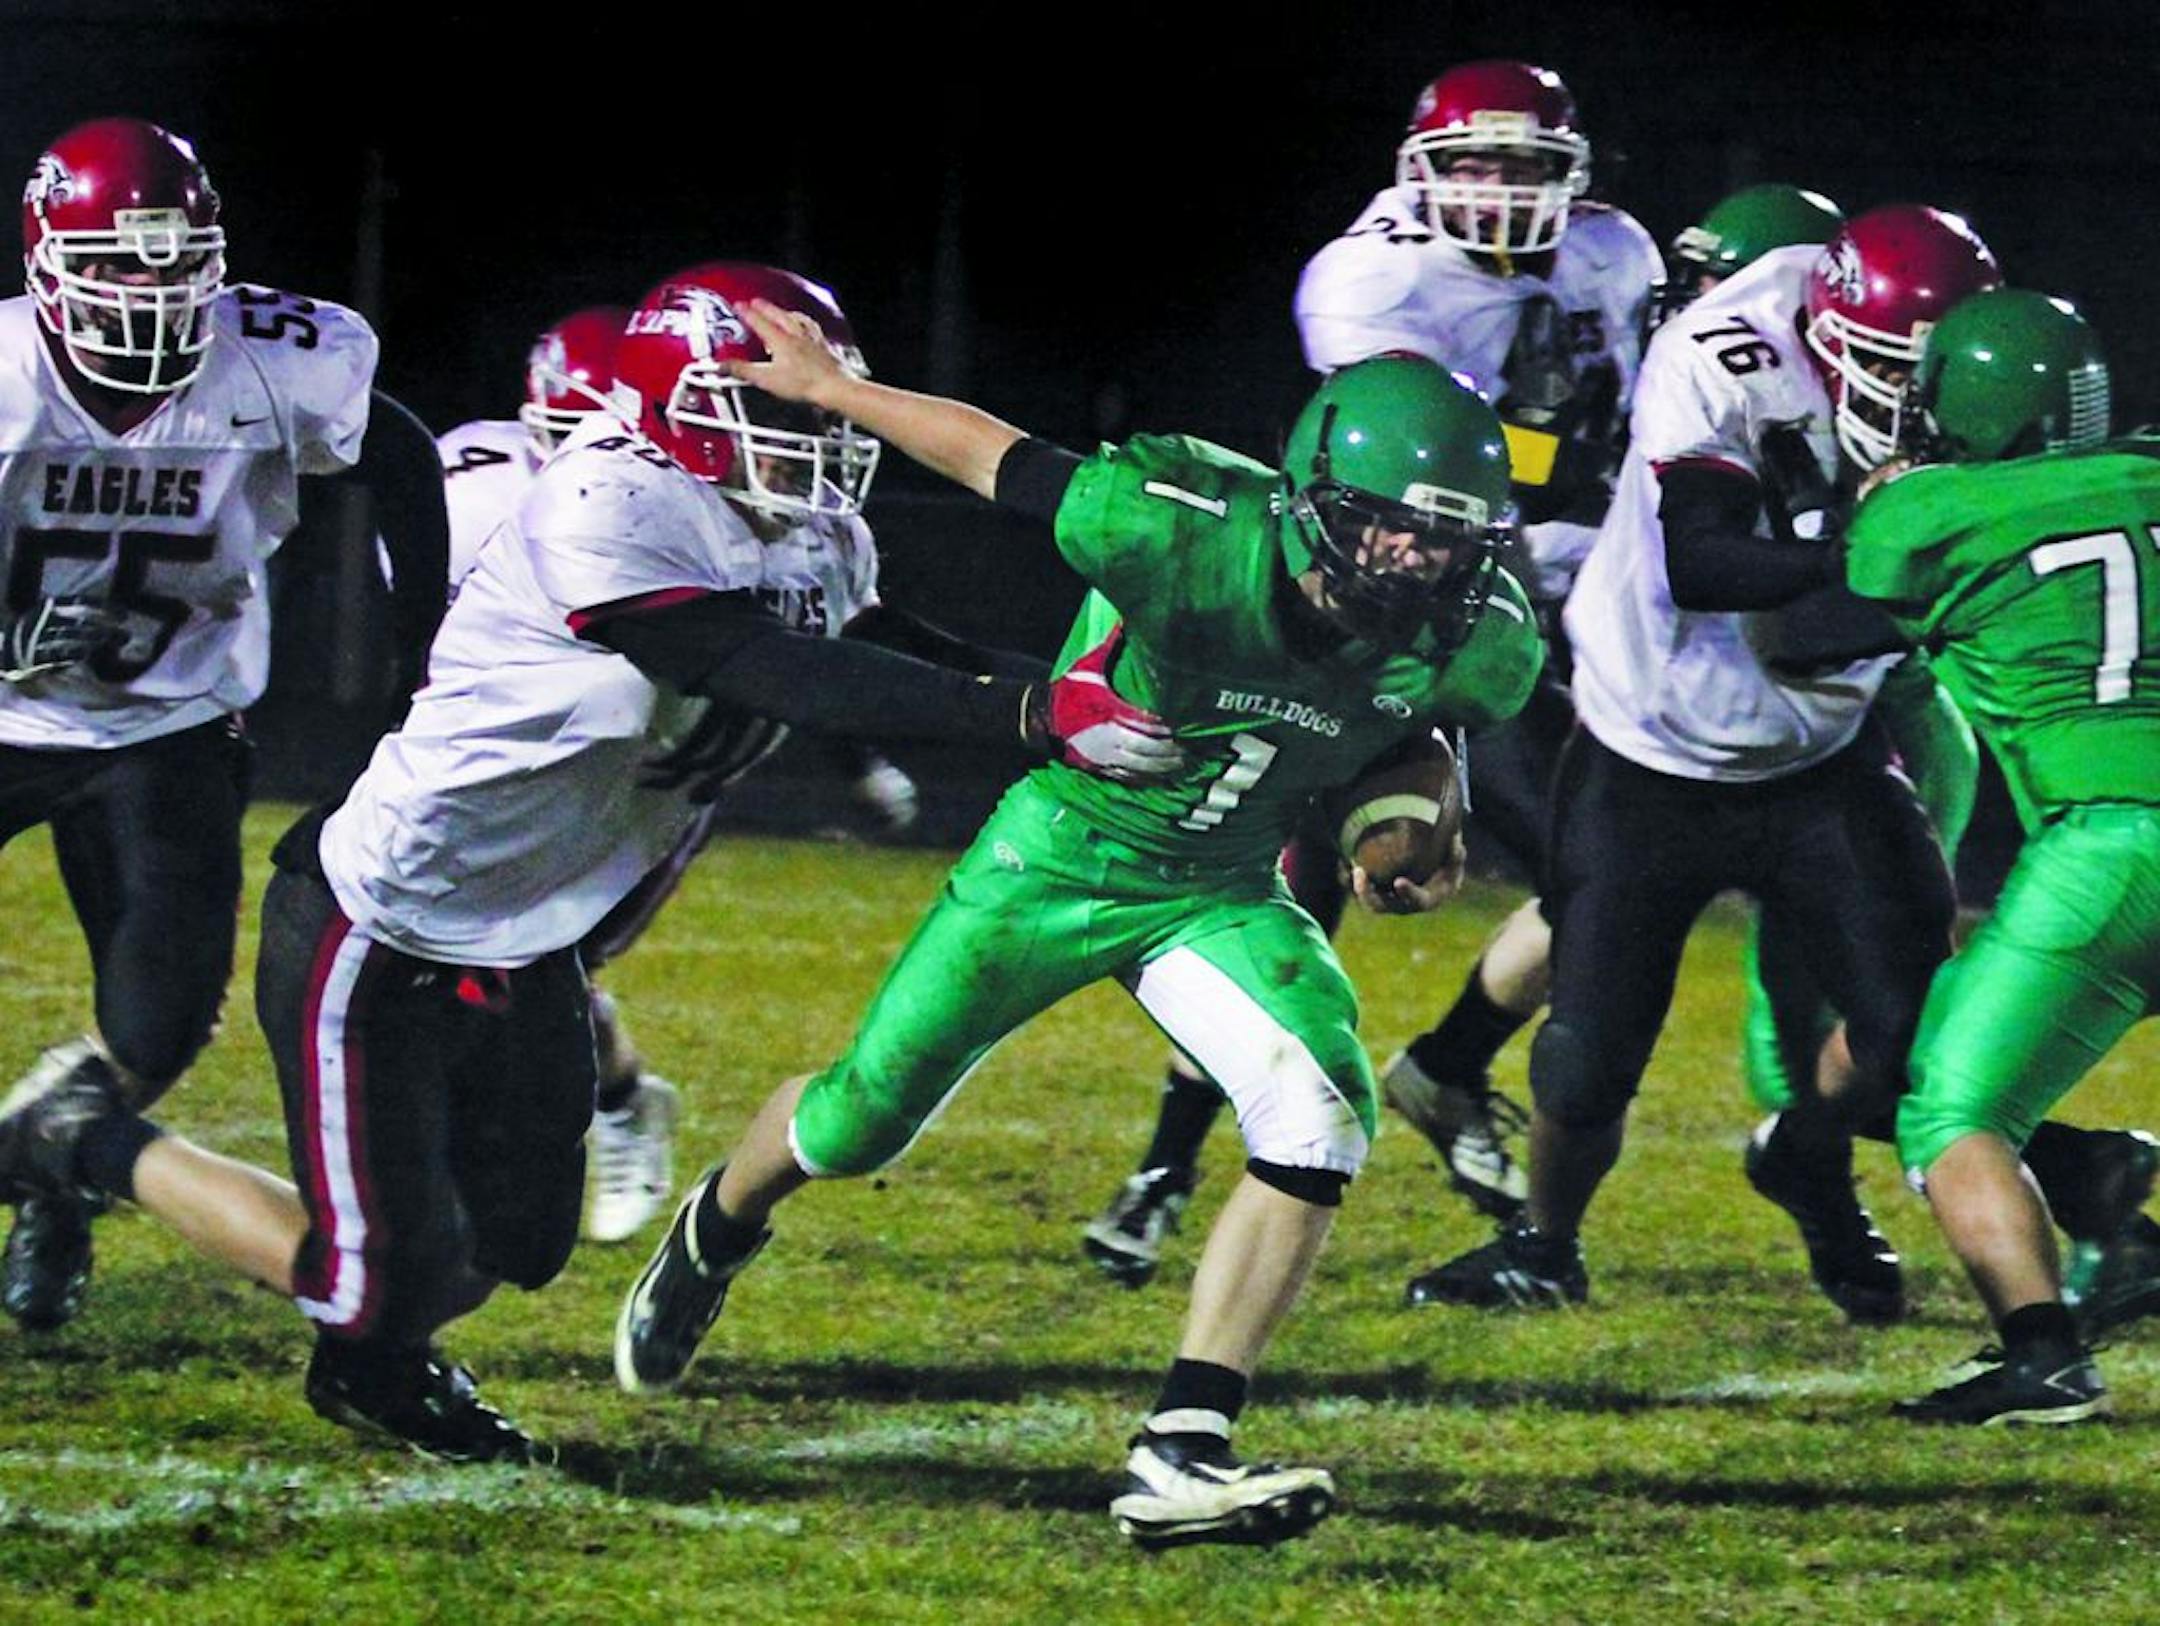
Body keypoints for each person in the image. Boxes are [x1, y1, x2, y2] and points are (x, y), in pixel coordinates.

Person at [0, 261, 1170, 1461]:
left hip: (539, 937)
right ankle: (84, 1145)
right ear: (673, 406)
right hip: (386, 924)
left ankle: (377, 1334)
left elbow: (887, 643)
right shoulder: (604, 500)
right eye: (771, 407)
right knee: (375, 1287)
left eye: (818, 401)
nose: (809, 431)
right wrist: (1034, 721)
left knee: (517, 1245)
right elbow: (764, 669)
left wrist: (1073, 691)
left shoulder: (811, 532)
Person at [613, 317, 1545, 1549]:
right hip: (1057, 854)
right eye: (1393, 523)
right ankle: (719, 1223)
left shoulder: (1479, 635)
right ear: (1319, 493)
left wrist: (1414, 822)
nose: (1417, 559)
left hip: (1216, 885)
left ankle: (1184, 1443)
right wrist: (843, 389)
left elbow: (1417, 731)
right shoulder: (1180, 524)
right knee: (857, 1120)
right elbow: (995, 456)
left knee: (1319, 1113)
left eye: (1448, 538)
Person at [1081, 61, 1659, 1286]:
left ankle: (1447, 1069)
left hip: (1560, 613)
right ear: (1420, 169)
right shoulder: (1371, 277)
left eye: (1525, 165)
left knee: (1604, 874)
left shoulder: (1615, 254)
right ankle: (1164, 1171)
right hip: (1398, 614)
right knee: (1291, 885)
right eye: (1475, 163)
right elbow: (1446, 475)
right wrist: (1582, 451)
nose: (1501, 190)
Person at [0, 117, 447, 1333]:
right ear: (47, 262)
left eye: (173, 259)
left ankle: (50, 1175)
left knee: (156, 1021)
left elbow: (397, 459)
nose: (150, 291)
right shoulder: (6, 383)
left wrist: (425, 653)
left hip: (170, 720)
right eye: (118, 263)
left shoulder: (273, 361)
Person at [1845, 289, 2156, 1422]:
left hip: (2111, 852)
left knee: (1952, 1108)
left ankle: (2041, 1353)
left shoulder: (1934, 514)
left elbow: (1812, 627)